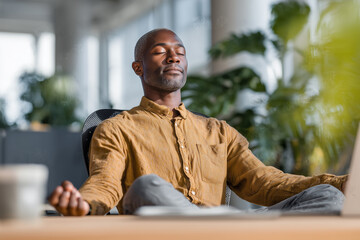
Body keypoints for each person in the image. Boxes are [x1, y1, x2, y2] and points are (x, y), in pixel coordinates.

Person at [48, 28, 347, 216]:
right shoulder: (117, 128)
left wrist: (347, 184)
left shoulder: (219, 132)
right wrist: (83, 204)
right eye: (160, 52)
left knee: (329, 196)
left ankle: (218, 229)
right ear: (138, 67)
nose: (173, 57)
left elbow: (266, 182)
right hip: (163, 229)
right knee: (147, 187)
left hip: (228, 228)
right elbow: (105, 184)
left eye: (180, 52)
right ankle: (213, 227)